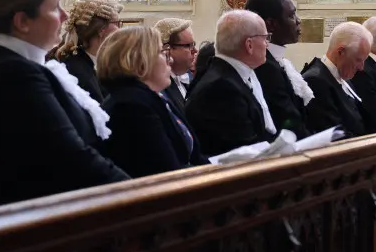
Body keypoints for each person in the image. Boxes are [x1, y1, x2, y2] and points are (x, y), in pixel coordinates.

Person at [0, 0, 128, 209]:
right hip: (32, 222)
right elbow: (73, 158)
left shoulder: (16, 65)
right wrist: (138, 192)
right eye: (55, 8)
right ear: (23, 21)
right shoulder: (15, 74)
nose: (66, 16)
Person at [97, 26, 207, 177]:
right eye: (162, 52)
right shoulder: (132, 106)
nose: (171, 59)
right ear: (140, 61)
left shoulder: (153, 96)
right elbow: (165, 170)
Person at [184, 10, 278, 157]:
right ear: (249, 45)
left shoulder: (230, 76)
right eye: (265, 38)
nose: (267, 44)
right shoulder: (222, 88)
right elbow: (245, 151)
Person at [246, 0, 311, 138]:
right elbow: (286, 120)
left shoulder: (278, 61)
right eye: (291, 15)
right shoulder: (264, 65)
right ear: (271, 24)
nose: (298, 20)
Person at [302, 22, 372, 138]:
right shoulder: (315, 81)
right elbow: (334, 133)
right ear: (340, 52)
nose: (361, 67)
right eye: (358, 60)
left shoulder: (342, 76)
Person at [51, 0, 124, 102]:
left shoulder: (100, 62)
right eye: (117, 23)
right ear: (101, 30)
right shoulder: (76, 69)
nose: (119, 29)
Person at [154, 17, 196, 115]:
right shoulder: (159, 85)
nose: (195, 50)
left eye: (193, 44)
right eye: (188, 45)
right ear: (166, 49)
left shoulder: (189, 77)